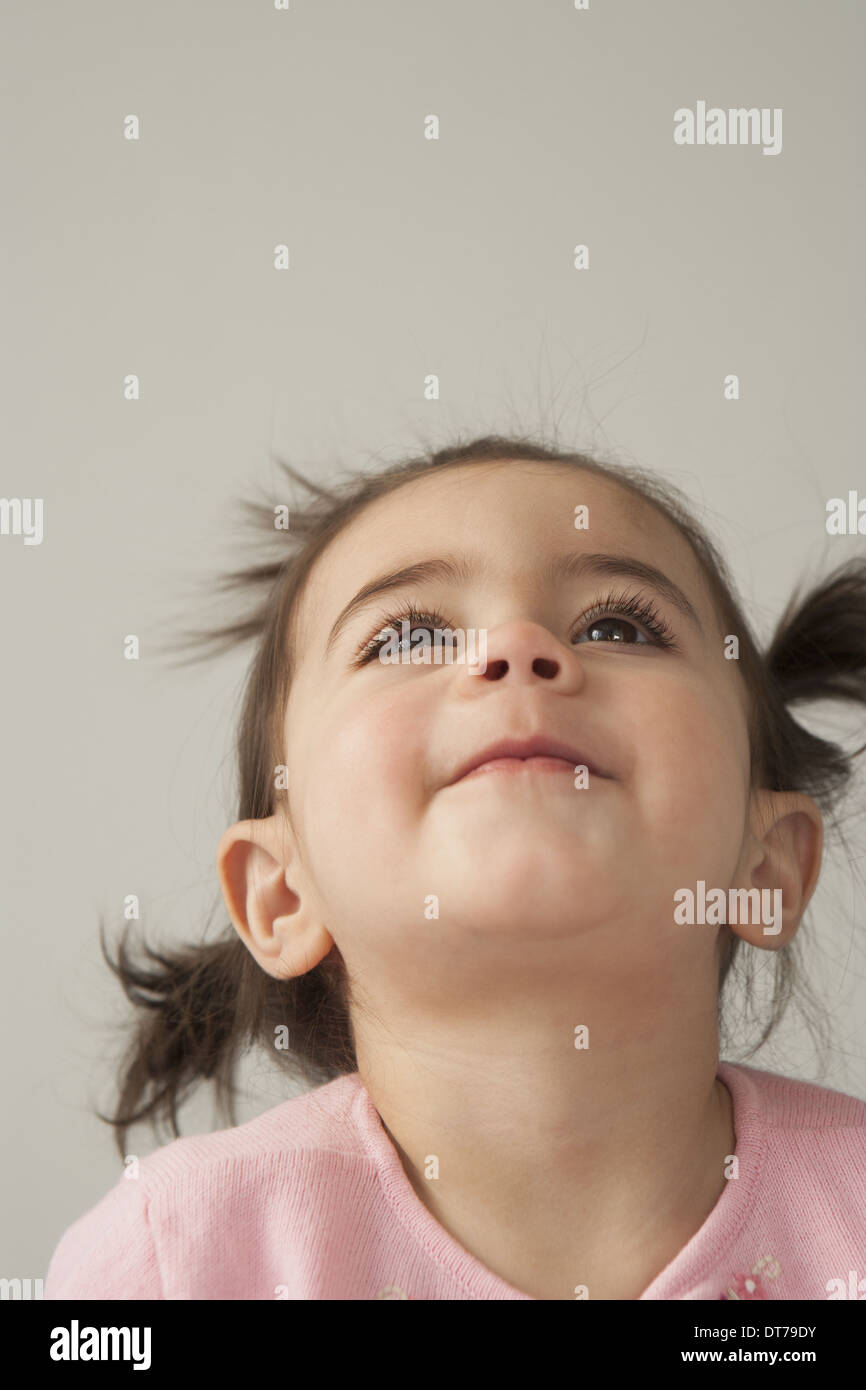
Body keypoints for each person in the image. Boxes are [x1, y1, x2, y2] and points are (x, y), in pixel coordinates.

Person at [45, 434, 866, 1300]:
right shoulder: (171, 1262)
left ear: (767, 867)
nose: (517, 649)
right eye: (406, 637)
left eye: (617, 626)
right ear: (282, 893)